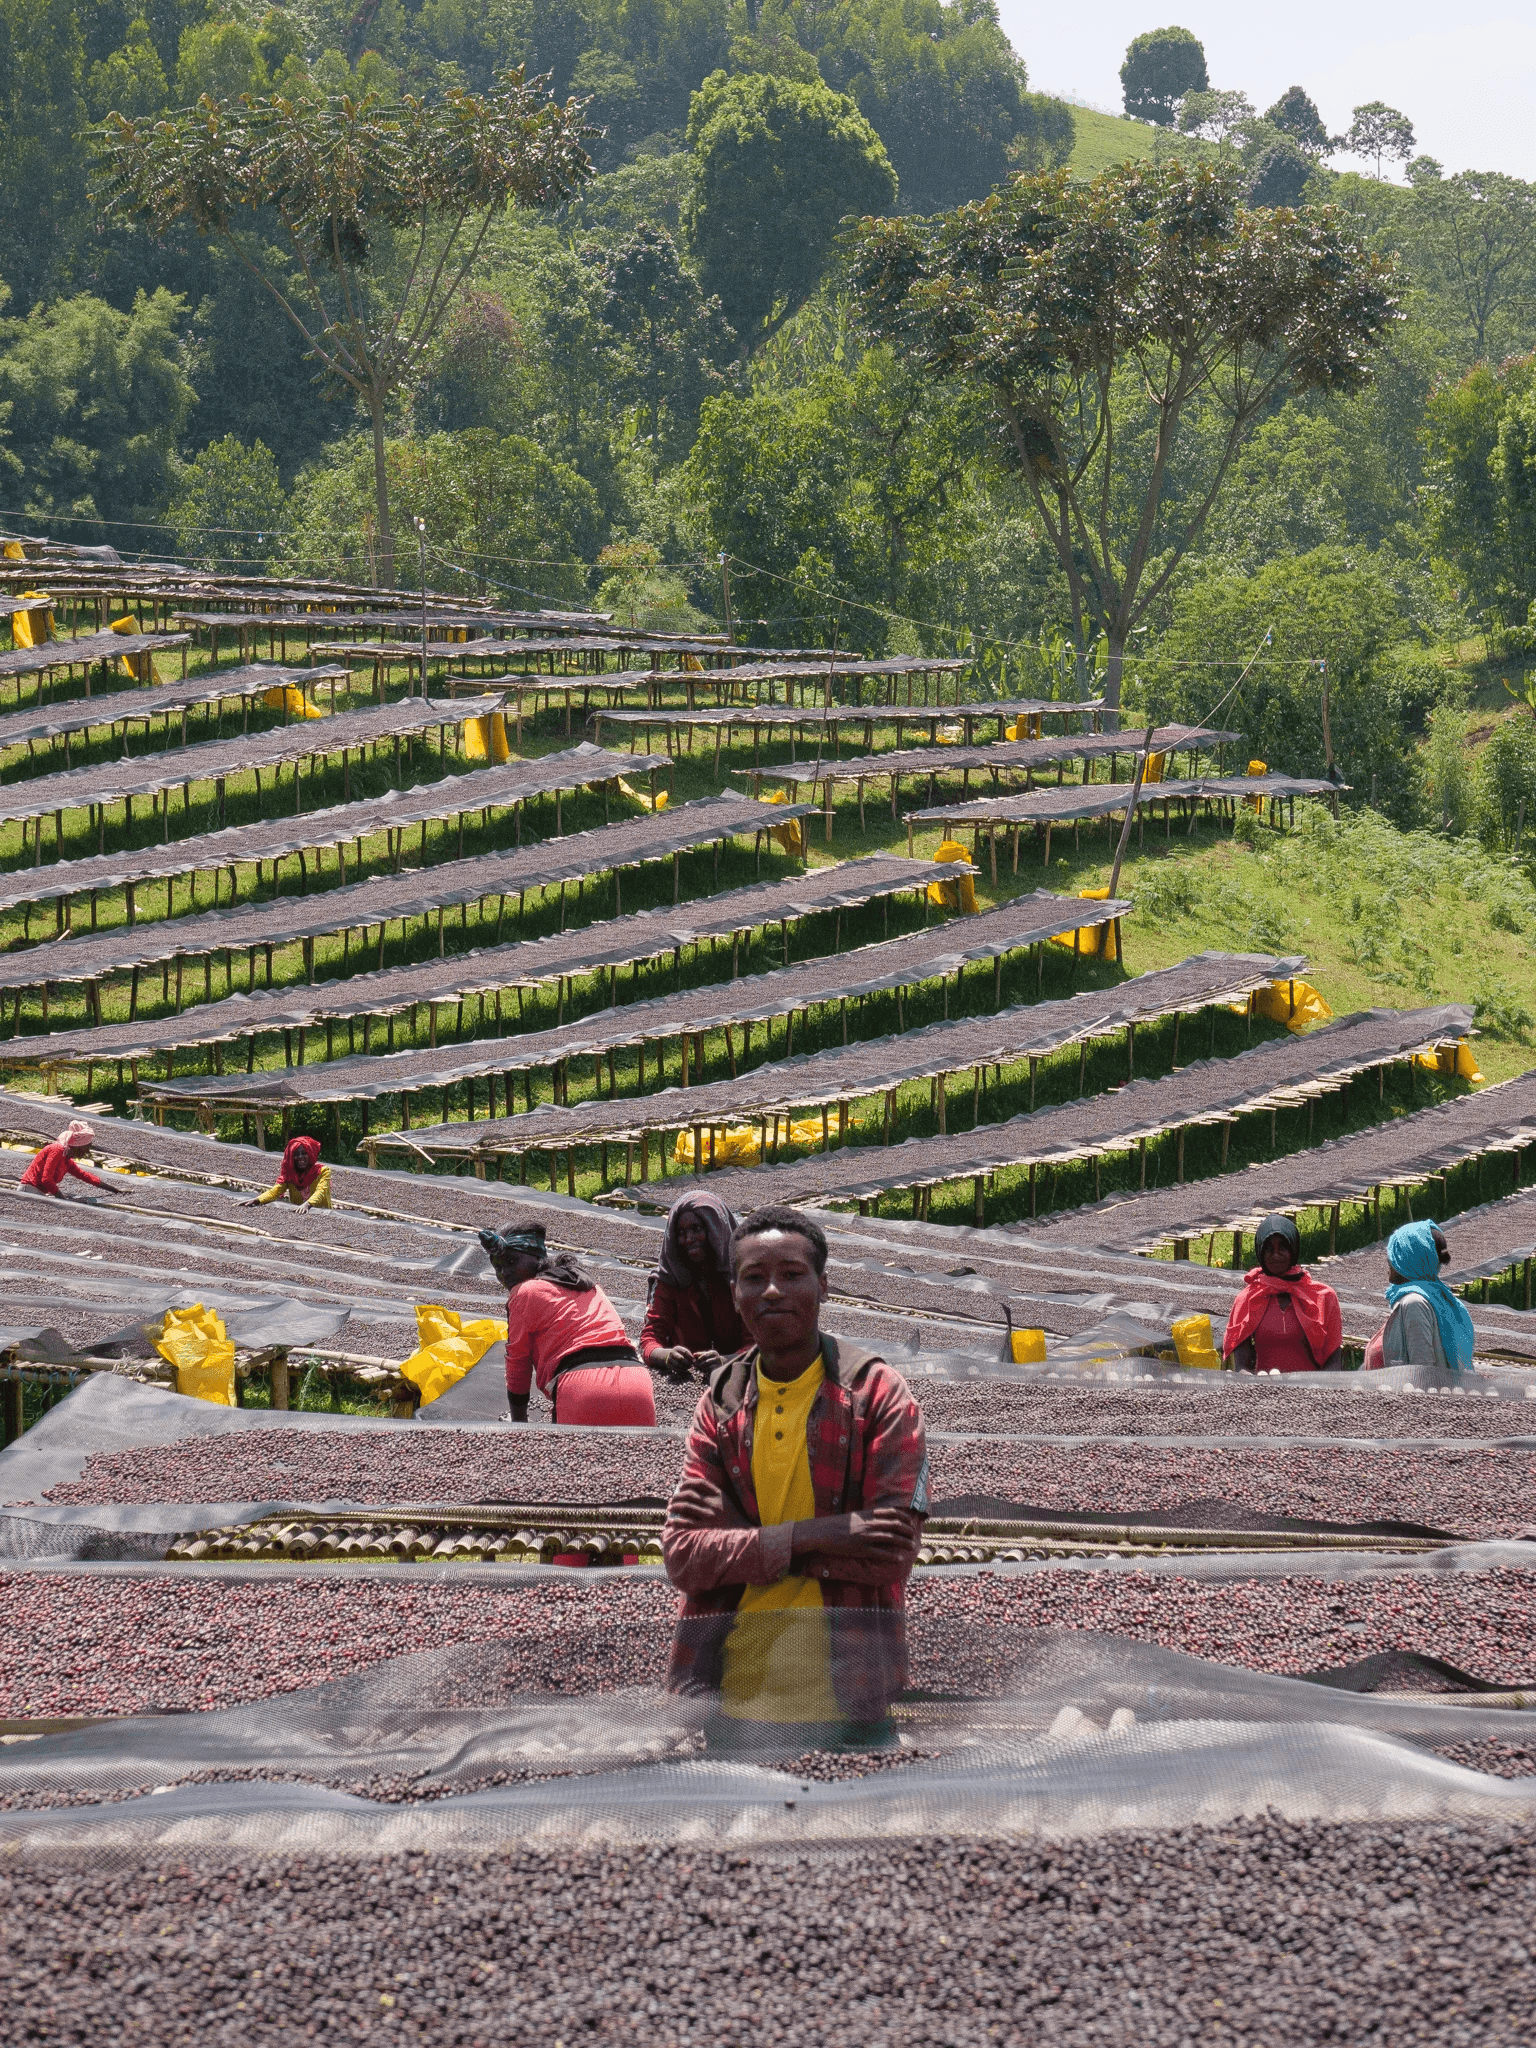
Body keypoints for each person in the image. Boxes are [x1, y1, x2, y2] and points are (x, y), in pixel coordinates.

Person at [662, 1204, 928, 1745]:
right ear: (734, 1292)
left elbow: (892, 1551)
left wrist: (747, 1549)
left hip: (851, 1702)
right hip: (731, 1701)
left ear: (824, 1285)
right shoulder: (721, 1404)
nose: (772, 1292)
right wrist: (823, 1535)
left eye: (791, 1274)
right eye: (754, 1278)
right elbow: (685, 1556)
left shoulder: (877, 1395)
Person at [479, 1221, 656, 1426]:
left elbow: (518, 1364)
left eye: (512, 1261)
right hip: (637, 1382)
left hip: (583, 1388)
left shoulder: (524, 1292)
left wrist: (520, 1426)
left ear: (537, 1258)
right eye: (498, 1267)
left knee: (575, 1457)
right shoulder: (584, 1282)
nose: (505, 1273)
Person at [640, 1190, 745, 1382]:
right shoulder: (668, 1279)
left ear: (716, 1230)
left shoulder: (743, 1278)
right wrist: (667, 1356)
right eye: (681, 1233)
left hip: (738, 1378)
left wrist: (727, 1361)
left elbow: (760, 1346)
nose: (689, 1239)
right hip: (687, 1378)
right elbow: (649, 1339)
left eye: (697, 1229)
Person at [1222, 1213, 1343, 1373]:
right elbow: (1242, 1366)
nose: (1276, 1255)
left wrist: (1315, 1391)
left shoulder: (1324, 1296)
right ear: (1260, 1252)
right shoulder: (1248, 1299)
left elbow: (1334, 1362)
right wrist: (1257, 1385)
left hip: (1313, 1391)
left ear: (1293, 1248)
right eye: (1269, 1249)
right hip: (1263, 1391)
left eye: (1283, 1248)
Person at [1373, 1221, 1475, 1372]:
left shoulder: (1415, 1304)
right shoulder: (1442, 1299)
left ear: (1409, 1259)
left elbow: (1423, 1374)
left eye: (1396, 1252)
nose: (1388, 1259)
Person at [19, 1121, 112, 1199]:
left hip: (39, 1192)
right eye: (86, 1147)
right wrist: (61, 1197)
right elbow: (46, 1179)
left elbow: (84, 1176)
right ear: (78, 1146)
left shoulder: (67, 1160)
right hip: (29, 1190)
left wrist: (113, 1189)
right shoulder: (56, 1150)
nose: (87, 1151)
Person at [241, 1135, 331, 1211]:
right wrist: (257, 1200)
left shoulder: (322, 1171)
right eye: (296, 1154)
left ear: (310, 1155)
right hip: (298, 1214)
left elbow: (321, 1191)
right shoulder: (290, 1175)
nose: (300, 1157)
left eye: (304, 1153)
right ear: (291, 1157)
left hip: (323, 1212)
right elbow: (275, 1191)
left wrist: (308, 1204)